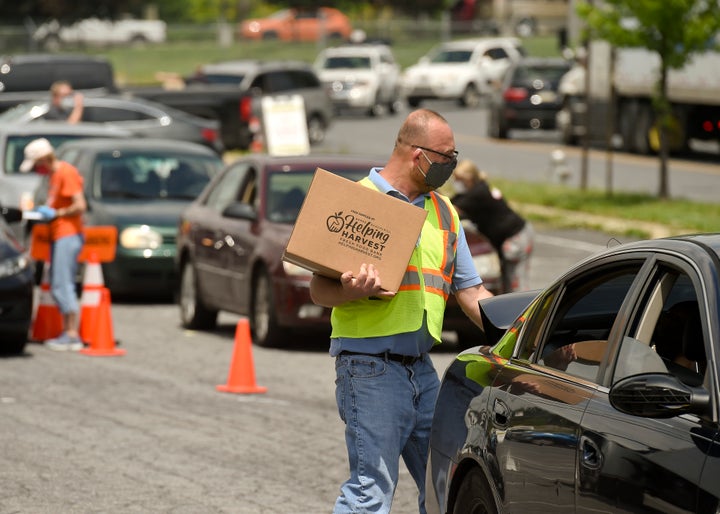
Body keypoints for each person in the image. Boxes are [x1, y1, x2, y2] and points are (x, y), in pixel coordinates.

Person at [309, 109, 493, 514]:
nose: (451, 164)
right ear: (416, 153)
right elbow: (318, 290)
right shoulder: (357, 204)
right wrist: (347, 288)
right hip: (368, 368)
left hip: (422, 371)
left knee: (445, 485)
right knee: (370, 491)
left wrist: (518, 335)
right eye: (446, 155)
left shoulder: (444, 212)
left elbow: (471, 290)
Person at [21, 138, 86, 350]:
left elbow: (80, 205)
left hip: (68, 234)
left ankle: (71, 333)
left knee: (63, 283)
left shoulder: (66, 173)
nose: (37, 170)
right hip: (60, 235)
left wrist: (56, 213)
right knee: (60, 282)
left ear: (43, 159)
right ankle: (68, 332)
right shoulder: (54, 176)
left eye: (37, 165)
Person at [450, 159, 534, 292]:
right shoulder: (475, 190)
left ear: (469, 179)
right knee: (506, 282)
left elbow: (450, 209)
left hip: (516, 237)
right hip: (515, 235)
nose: (456, 183)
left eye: (459, 179)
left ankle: (524, 311)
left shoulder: (477, 194)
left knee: (516, 283)